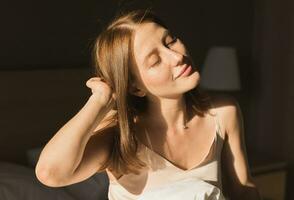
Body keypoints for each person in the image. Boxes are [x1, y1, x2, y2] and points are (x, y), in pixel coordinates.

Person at [35, 9, 261, 200]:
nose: (176, 57)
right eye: (155, 60)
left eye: (170, 41)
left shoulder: (222, 112)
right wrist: (99, 100)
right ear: (135, 87)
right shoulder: (119, 132)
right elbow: (50, 173)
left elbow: (243, 191)